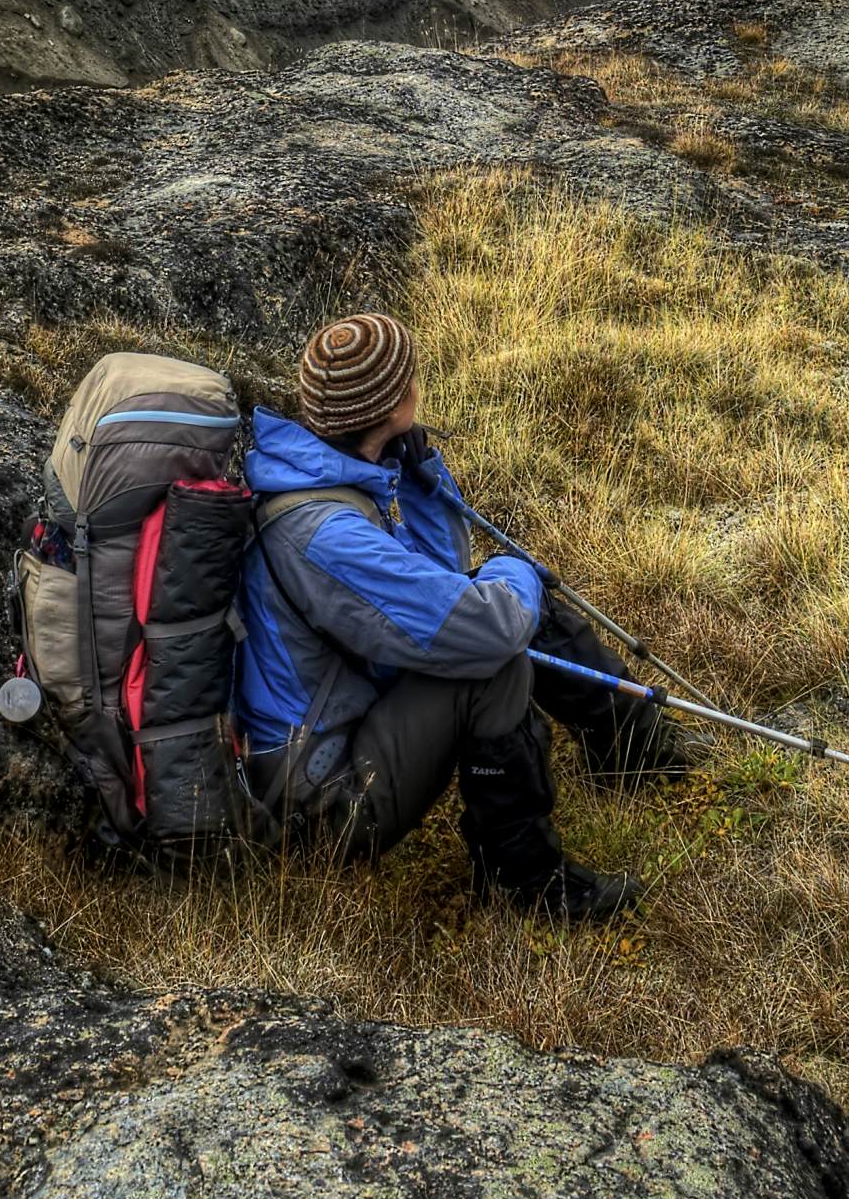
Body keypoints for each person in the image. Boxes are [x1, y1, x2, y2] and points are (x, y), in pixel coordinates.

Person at [235, 310, 691, 923]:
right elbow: (480, 627)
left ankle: (634, 750)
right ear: (391, 400)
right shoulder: (323, 532)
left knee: (504, 607)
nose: (419, 384)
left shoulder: (339, 473)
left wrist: (422, 480)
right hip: (320, 799)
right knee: (494, 654)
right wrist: (517, 570)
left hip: (344, 732)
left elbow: (446, 575)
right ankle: (525, 881)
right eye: (410, 376)